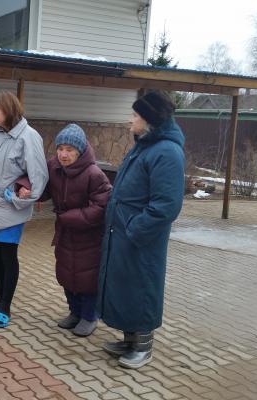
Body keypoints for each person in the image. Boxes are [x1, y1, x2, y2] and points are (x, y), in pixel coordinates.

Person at [97, 91, 185, 369]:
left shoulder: (167, 152)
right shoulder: (144, 146)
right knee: (124, 288)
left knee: (142, 288)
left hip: (142, 239)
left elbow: (167, 205)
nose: (130, 120)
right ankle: (129, 339)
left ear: (149, 119)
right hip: (123, 234)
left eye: (135, 115)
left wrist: (135, 229)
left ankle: (143, 347)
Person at [0, 91, 48, 329]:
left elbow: (39, 175)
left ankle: (5, 307)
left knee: (7, 257)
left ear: (9, 111)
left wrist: (22, 195)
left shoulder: (29, 137)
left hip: (10, 207)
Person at [37, 124, 111, 337]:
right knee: (66, 273)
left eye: (69, 150)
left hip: (88, 236)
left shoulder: (94, 173)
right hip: (65, 232)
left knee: (87, 278)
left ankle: (89, 317)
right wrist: (25, 187)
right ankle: (74, 312)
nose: (64, 154)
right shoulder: (54, 167)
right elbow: (42, 185)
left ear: (79, 151)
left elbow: (102, 206)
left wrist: (71, 217)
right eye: (61, 149)